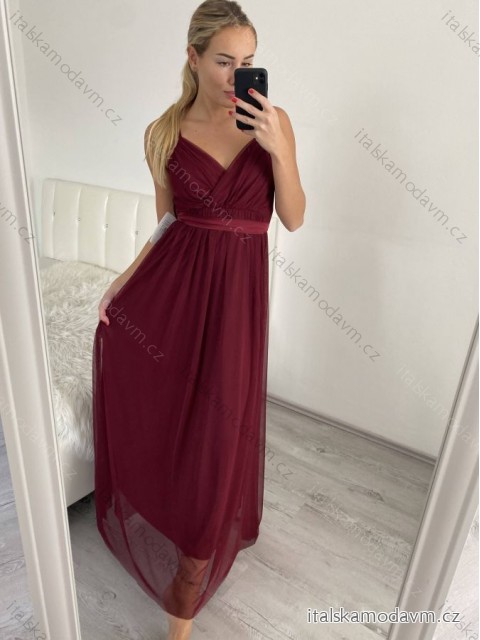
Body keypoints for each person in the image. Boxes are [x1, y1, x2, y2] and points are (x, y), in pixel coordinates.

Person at [92, 1, 305, 638]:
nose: (237, 75)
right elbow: (166, 224)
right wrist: (123, 283)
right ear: (193, 57)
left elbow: (293, 217)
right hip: (175, 290)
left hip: (237, 301)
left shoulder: (273, 122)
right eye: (223, 61)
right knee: (172, 419)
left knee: (220, 429)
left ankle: (186, 584)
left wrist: (278, 151)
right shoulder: (163, 132)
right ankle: (172, 517)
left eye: (248, 61)